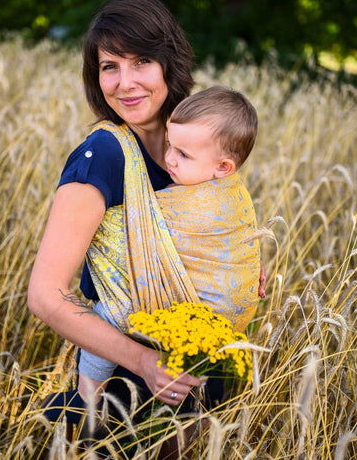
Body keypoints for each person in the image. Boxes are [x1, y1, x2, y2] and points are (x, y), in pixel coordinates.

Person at [27, 0, 266, 453]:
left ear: (168, 64)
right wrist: (144, 360)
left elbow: (212, 227)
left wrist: (231, 271)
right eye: (109, 66)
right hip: (129, 379)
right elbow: (45, 294)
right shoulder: (104, 157)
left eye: (141, 61)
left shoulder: (191, 144)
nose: (125, 82)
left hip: (193, 364)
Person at [77, 85, 261, 401]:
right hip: (223, 333)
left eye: (183, 154)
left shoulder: (189, 204)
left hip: (195, 322)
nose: (169, 159)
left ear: (223, 168)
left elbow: (135, 226)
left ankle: (86, 396)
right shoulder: (235, 192)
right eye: (169, 145)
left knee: (109, 312)